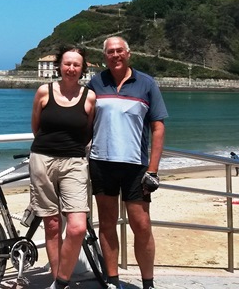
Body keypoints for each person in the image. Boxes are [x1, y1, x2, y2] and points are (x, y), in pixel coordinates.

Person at [87, 37, 167, 289]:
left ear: (128, 53)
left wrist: (153, 170)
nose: (115, 55)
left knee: (141, 226)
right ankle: (112, 281)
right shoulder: (96, 82)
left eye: (119, 50)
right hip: (102, 163)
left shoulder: (146, 83)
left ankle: (148, 283)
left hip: (136, 166)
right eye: (110, 52)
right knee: (107, 224)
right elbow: (84, 122)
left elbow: (158, 126)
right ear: (104, 56)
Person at [29, 44, 96, 289]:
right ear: (59, 66)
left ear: (82, 68)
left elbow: (88, 130)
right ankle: (59, 283)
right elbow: (36, 127)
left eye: (76, 65)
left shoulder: (89, 96)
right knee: (53, 225)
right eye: (67, 63)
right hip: (42, 160)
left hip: (75, 162)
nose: (71, 68)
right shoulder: (43, 92)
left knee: (77, 227)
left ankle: (62, 280)